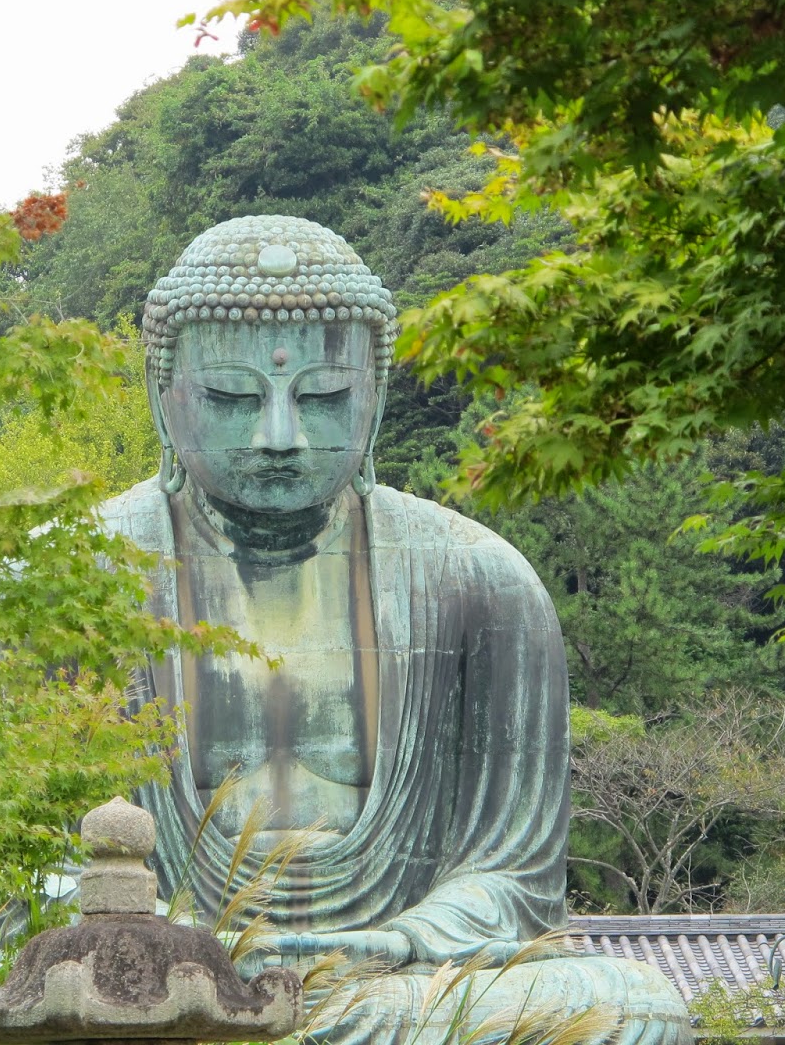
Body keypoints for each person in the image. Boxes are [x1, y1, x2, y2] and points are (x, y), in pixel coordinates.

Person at [99, 216, 690, 1045]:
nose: (280, 437)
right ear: (166, 400)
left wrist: (402, 938)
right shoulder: (74, 583)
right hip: (163, 985)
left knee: (635, 1009)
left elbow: (515, 881)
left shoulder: (478, 581)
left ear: (373, 400)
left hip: (395, 980)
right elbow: (25, 872)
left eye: (324, 398)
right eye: (233, 398)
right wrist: (168, 939)